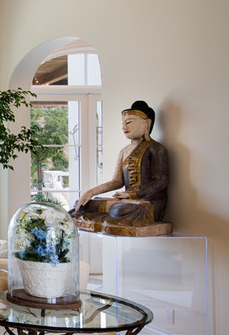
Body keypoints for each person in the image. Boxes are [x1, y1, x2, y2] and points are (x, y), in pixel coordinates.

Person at [70, 100, 171, 236]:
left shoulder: (156, 148)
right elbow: (117, 181)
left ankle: (111, 217)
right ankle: (106, 216)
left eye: (128, 122)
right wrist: (91, 192)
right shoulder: (124, 151)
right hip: (127, 201)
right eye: (123, 123)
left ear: (146, 124)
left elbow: (161, 181)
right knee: (82, 205)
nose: (124, 126)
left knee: (118, 210)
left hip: (148, 204)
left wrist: (132, 194)